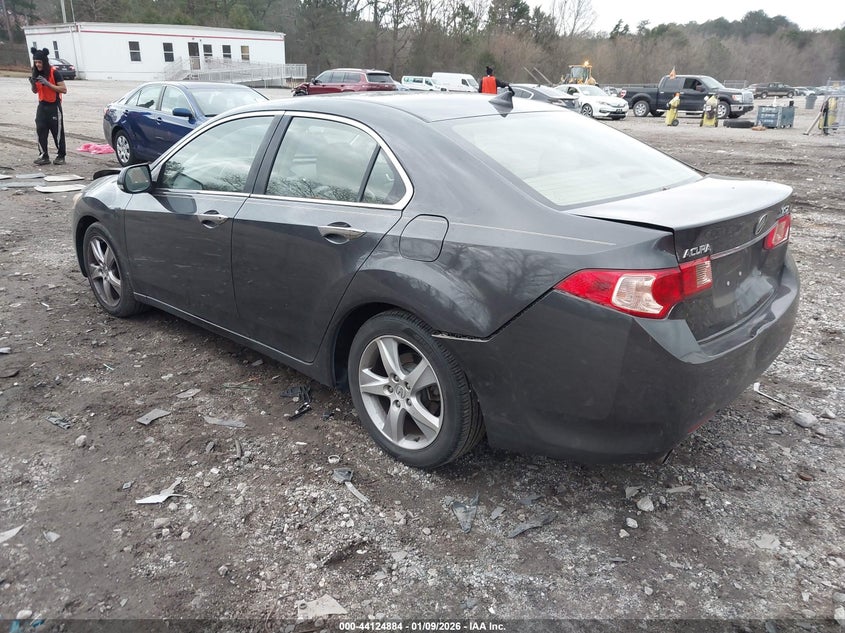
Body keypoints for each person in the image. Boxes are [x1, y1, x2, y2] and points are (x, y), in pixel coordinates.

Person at [30, 47, 68, 165]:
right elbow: (35, 91)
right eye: (36, 62)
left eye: (39, 62)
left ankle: (61, 156)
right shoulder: (35, 72)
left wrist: (47, 84)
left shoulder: (54, 73)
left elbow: (64, 89)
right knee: (41, 130)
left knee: (57, 132)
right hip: (42, 105)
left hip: (54, 106)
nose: (37, 64)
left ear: (44, 62)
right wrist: (33, 84)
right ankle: (43, 155)